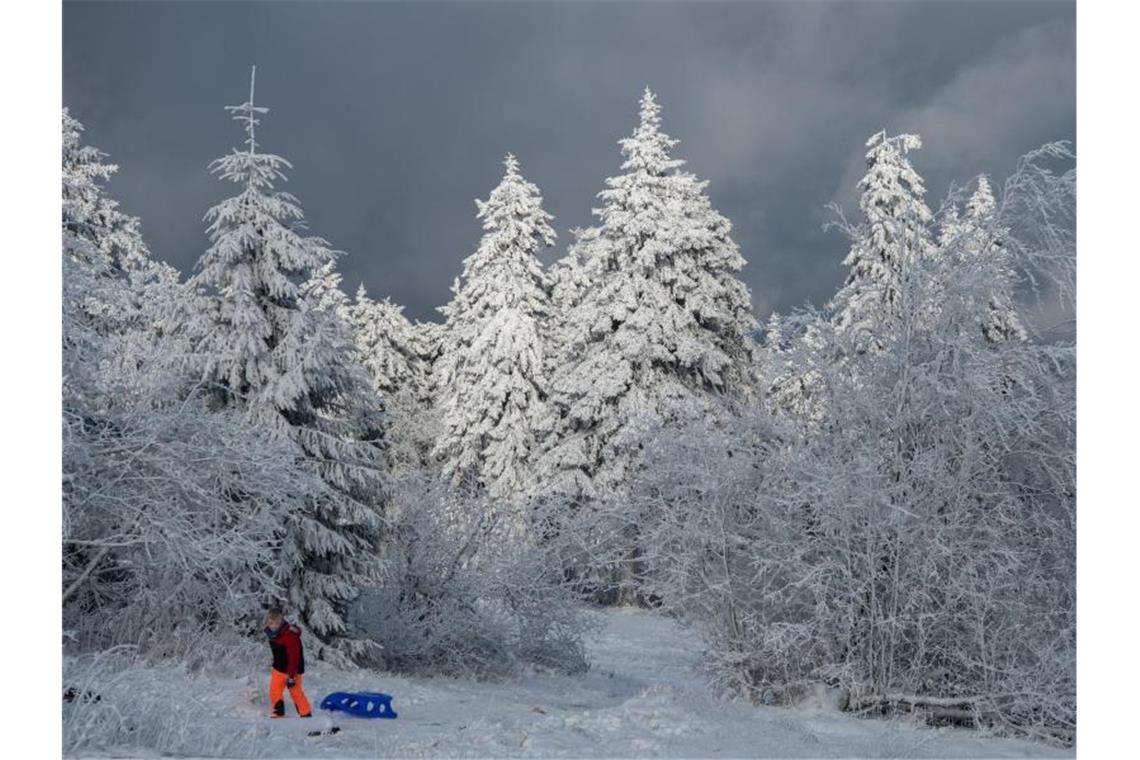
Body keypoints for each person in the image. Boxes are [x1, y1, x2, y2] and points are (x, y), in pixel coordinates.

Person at [263, 607, 312, 718]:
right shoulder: (272, 633)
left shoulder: (290, 636)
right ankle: (278, 713)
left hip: (292, 671)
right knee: (274, 691)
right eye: (271, 623)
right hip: (279, 669)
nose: (274, 625)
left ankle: (306, 714)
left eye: (277, 623)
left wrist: (291, 676)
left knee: (295, 692)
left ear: (282, 621)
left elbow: (294, 658)